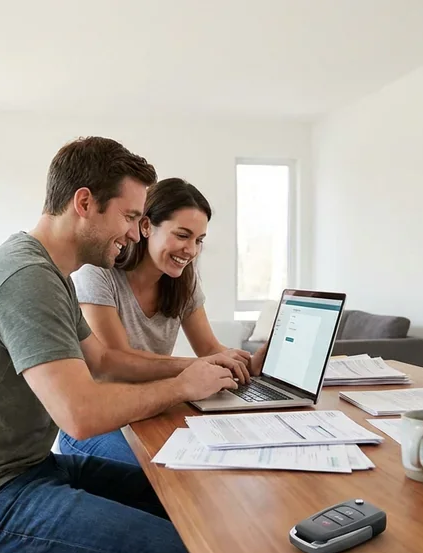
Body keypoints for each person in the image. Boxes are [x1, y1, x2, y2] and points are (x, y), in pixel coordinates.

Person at [0, 136, 245, 553]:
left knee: (179, 500)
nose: (134, 233)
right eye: (129, 217)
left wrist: (194, 368)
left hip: (21, 473)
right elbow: (80, 416)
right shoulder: (25, 278)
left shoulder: (52, 274)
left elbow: (104, 360)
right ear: (84, 202)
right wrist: (182, 386)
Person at [59, 177, 267, 465]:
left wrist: (246, 366)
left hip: (151, 408)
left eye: (199, 240)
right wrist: (193, 368)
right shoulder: (98, 274)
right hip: (101, 422)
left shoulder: (183, 282)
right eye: (182, 235)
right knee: (166, 473)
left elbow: (209, 349)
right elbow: (114, 364)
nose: (191, 250)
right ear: (145, 226)